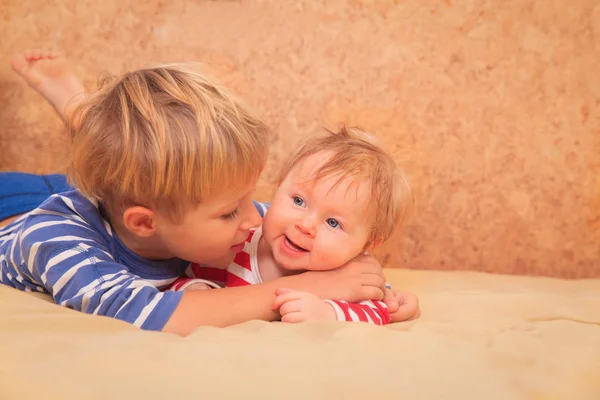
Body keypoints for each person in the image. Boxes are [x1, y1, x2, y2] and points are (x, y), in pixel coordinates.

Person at [0, 50, 395, 336]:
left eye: (248, 197)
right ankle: (80, 109)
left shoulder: (190, 210)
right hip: (17, 207)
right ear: (147, 224)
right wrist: (310, 288)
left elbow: (309, 237)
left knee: (125, 162)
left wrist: (375, 294)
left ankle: (86, 114)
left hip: (106, 196)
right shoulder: (66, 248)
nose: (255, 218)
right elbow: (159, 316)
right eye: (229, 212)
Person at [169, 127, 420, 324]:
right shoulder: (239, 246)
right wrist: (194, 287)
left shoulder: (350, 271)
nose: (306, 226)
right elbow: (185, 279)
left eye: (333, 223)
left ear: (364, 244)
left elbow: (376, 309)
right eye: (298, 201)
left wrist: (327, 312)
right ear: (278, 188)